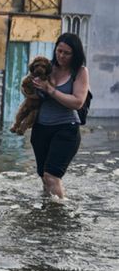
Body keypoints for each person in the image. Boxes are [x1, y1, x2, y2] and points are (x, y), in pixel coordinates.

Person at [30, 32, 89, 200]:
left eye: (66, 53)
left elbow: (77, 101)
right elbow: (30, 92)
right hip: (41, 128)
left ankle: (60, 217)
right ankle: (45, 213)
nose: (61, 55)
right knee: (43, 176)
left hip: (66, 129)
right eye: (59, 51)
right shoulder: (47, 67)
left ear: (75, 54)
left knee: (52, 176)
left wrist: (50, 89)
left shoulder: (80, 72)